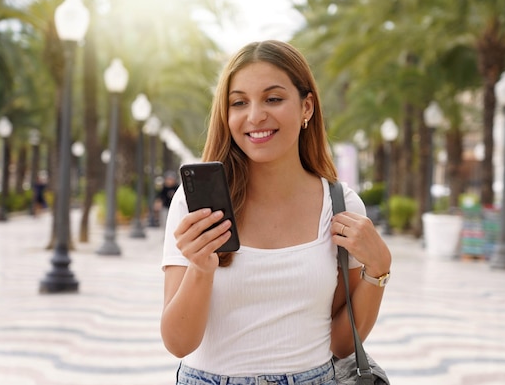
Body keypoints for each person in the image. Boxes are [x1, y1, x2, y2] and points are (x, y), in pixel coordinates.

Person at [161, 40, 391, 384]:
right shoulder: (196, 205)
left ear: (306, 107)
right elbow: (178, 343)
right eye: (239, 102)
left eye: (273, 98)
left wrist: (378, 270)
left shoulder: (341, 206)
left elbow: (342, 344)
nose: (255, 116)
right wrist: (200, 268)